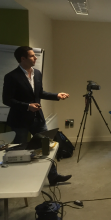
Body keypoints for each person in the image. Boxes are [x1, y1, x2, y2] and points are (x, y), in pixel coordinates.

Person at [2, 46, 71, 186]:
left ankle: (53, 177)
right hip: (19, 120)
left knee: (46, 145)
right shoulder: (11, 77)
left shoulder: (37, 73)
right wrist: (27, 106)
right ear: (23, 59)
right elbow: (7, 100)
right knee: (20, 149)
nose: (36, 58)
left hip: (37, 118)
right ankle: (18, 180)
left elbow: (40, 94)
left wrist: (56, 95)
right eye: (32, 56)